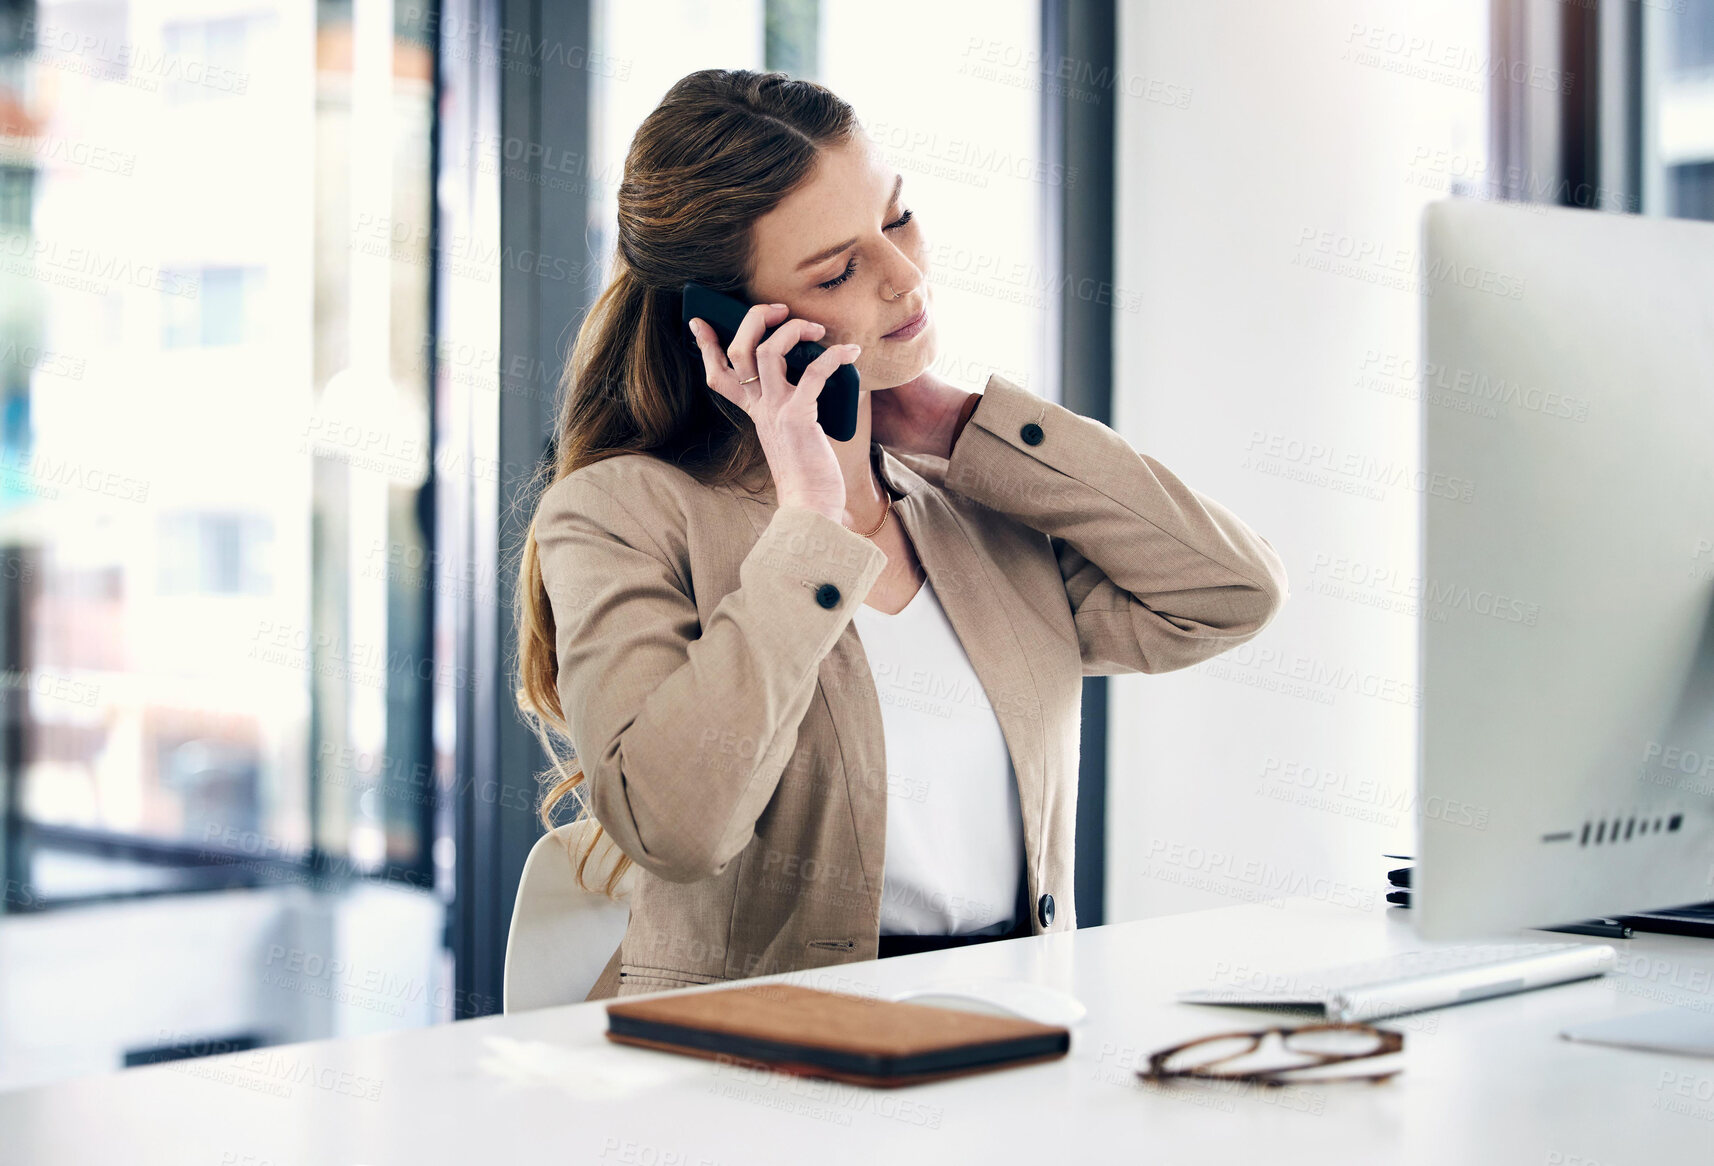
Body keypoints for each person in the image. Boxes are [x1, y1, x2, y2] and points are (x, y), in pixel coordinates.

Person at [514, 69, 1290, 1001]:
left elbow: (1231, 593)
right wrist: (809, 515)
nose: (904, 275)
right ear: (726, 325)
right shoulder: (625, 512)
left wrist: (967, 430)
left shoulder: (974, 506)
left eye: (899, 217)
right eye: (839, 269)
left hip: (1011, 1044)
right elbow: (679, 831)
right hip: (755, 1077)